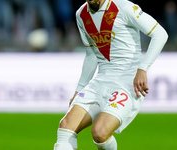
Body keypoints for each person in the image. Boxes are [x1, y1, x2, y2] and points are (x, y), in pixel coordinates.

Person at [54, 0, 168, 149]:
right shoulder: (81, 14)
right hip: (100, 81)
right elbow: (91, 55)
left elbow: (160, 33)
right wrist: (79, 89)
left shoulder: (124, 7)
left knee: (100, 133)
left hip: (127, 82)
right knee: (66, 126)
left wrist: (142, 68)